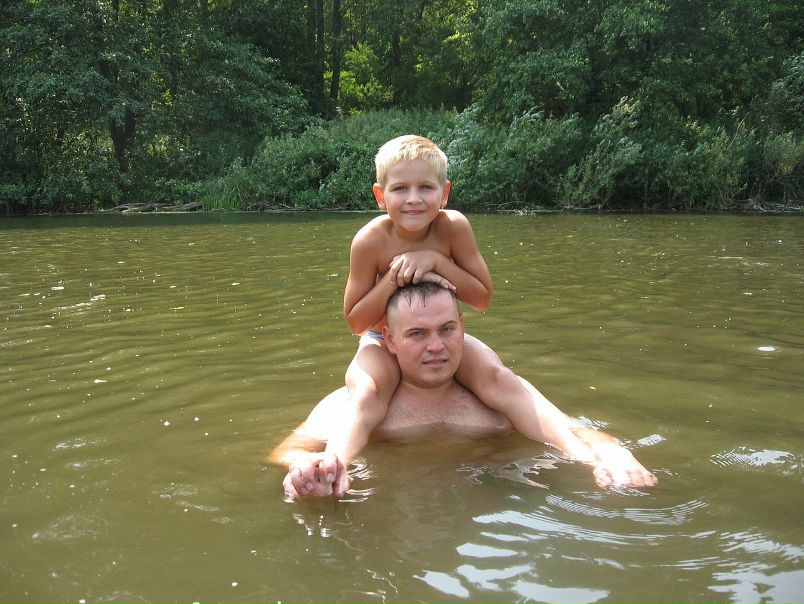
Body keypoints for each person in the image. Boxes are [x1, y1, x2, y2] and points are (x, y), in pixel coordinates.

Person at [326, 134, 599, 497]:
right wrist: (393, 278)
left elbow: (482, 299)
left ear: (444, 193)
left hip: (441, 332)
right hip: (383, 338)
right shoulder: (369, 240)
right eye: (400, 188)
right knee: (366, 392)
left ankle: (584, 455)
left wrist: (436, 261)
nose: (413, 198)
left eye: (426, 187)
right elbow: (356, 322)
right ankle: (334, 465)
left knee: (498, 377)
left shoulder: (453, 227)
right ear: (380, 195)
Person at [270, 282, 658, 498]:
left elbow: (573, 430)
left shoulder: (499, 396)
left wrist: (611, 451)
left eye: (446, 330)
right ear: (389, 340)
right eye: (417, 334)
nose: (436, 346)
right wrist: (304, 467)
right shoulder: (354, 403)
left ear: (462, 327)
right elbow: (286, 449)